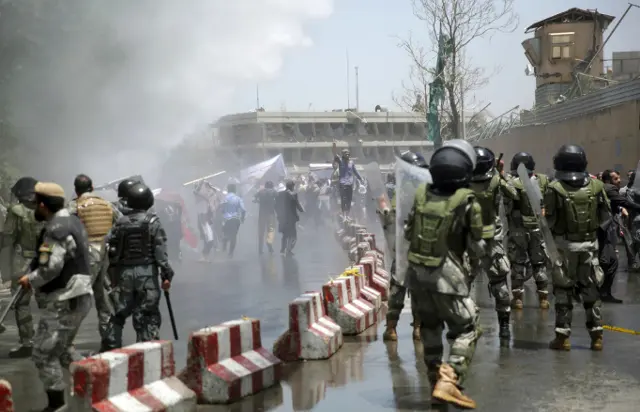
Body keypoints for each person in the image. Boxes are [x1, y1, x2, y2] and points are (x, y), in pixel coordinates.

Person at [404, 139, 483, 409]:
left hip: (416, 276)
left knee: (430, 327)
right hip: (447, 278)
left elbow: (407, 233)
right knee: (468, 326)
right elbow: (476, 247)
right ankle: (450, 379)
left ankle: (435, 385)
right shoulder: (467, 202)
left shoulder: (421, 195)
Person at [17, 182, 93, 412]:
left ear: (43, 205)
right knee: (63, 349)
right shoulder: (73, 221)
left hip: (64, 298)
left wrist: (30, 280)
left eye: (35, 203)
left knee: (42, 353)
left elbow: (51, 267)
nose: (34, 208)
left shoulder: (55, 229)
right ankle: (97, 381)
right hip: (79, 293)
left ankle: (57, 405)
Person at [545, 144, 611, 351]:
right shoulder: (597, 186)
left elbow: (549, 221)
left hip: (564, 247)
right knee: (591, 289)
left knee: (563, 291)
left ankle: (562, 338)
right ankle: (597, 337)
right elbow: (606, 217)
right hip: (590, 246)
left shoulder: (554, 188)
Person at [103, 183, 174, 350]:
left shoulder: (120, 222)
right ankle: (147, 350)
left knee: (118, 313)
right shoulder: (153, 222)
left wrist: (113, 274)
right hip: (147, 274)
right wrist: (166, 275)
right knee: (147, 314)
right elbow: (160, 252)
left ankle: (111, 348)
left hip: (124, 274)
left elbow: (110, 247)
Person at [468, 146, 518, 340]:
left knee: (463, 284)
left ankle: (467, 325)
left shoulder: (462, 182)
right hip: (492, 240)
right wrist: (501, 173)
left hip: (469, 239)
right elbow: (514, 194)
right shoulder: (496, 180)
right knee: (499, 284)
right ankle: (504, 326)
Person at [67, 174, 119, 348]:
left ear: (76, 190)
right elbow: (121, 223)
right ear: (93, 187)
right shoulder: (107, 204)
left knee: (80, 300)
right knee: (103, 298)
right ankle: (109, 339)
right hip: (106, 253)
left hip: (86, 255)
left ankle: (66, 343)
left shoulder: (74, 205)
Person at [383, 151, 428, 342]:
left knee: (398, 287)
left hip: (403, 247)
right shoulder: (428, 189)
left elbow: (392, 216)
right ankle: (418, 328)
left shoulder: (401, 190)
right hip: (423, 246)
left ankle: (391, 329)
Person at [0, 177, 44, 358]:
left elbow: (7, 240)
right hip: (46, 261)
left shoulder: (16, 211)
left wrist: (5, 271)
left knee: (22, 304)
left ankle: (27, 343)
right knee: (49, 303)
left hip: (22, 262)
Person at [507, 152, 552, 310]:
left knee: (518, 263)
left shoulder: (512, 183)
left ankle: (518, 299)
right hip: (538, 229)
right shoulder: (543, 180)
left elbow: (507, 207)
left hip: (518, 229)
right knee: (539, 264)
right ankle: (543, 298)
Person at [332, 142, 364, 217]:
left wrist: (361, 178)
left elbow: (355, 171)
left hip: (350, 184)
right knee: (344, 200)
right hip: (342, 184)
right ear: (343, 155)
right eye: (345, 153)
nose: (347, 155)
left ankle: (348, 215)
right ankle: (344, 216)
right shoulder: (340, 161)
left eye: (348, 153)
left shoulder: (351, 163)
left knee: (349, 200)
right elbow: (335, 154)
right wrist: (334, 146)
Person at [276, 180, 304, 256]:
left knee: (285, 234)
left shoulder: (280, 194)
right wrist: (302, 211)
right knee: (293, 235)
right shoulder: (294, 194)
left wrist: (278, 214)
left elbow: (276, 205)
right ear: (292, 187)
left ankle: (282, 249)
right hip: (291, 217)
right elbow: (297, 204)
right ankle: (289, 249)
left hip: (283, 217)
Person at [220, 183, 246, 257]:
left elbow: (221, 208)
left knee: (226, 233)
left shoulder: (225, 198)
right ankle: (231, 253)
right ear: (235, 190)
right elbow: (243, 210)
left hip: (226, 219)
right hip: (236, 219)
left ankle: (225, 240)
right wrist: (242, 218)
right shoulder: (238, 199)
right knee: (234, 236)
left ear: (228, 190)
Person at [253, 181, 277, 254]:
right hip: (271, 214)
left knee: (261, 232)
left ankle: (260, 249)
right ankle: (269, 243)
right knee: (271, 230)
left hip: (262, 214)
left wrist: (257, 201)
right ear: (272, 186)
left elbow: (254, 198)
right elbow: (278, 199)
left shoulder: (261, 192)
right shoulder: (274, 191)